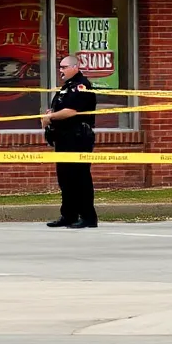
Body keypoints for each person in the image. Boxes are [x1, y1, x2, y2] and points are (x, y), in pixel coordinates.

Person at [42, 54, 98, 229]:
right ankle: (69, 215)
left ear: (75, 67)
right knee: (65, 178)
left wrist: (51, 117)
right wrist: (49, 115)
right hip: (64, 137)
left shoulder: (82, 86)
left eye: (64, 67)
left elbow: (72, 111)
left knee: (79, 177)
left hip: (78, 137)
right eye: (60, 67)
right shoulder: (67, 87)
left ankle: (88, 217)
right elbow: (60, 108)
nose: (61, 70)